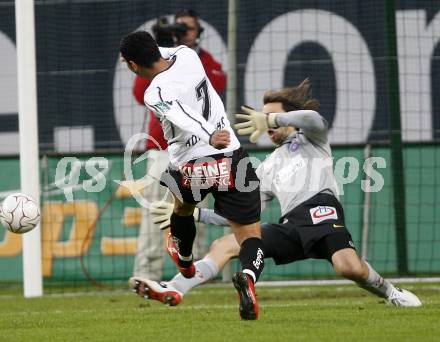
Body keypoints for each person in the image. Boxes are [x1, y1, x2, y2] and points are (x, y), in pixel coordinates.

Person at [129, 79, 422, 309]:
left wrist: (271, 120)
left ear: (288, 119)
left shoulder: (311, 139)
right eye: (262, 117)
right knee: (227, 244)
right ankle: (174, 288)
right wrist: (195, 214)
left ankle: (391, 292)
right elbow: (239, 215)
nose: (264, 123)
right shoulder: (265, 167)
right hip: (290, 225)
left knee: (348, 267)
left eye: (271, 118)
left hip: (321, 212)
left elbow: (314, 119)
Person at [120, 31, 265, 320]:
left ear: (134, 66)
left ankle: (185, 262)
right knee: (250, 237)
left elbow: (181, 114)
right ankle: (247, 277)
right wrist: (214, 134)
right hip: (231, 157)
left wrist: (209, 135)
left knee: (182, 208)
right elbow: (160, 53)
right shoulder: (188, 54)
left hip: (191, 163)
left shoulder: (154, 92)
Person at [131, 10, 226, 282]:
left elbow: (218, 83)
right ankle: (145, 275)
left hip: (198, 149)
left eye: (189, 28)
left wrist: (181, 48)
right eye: (179, 28)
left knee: (194, 212)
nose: (183, 32)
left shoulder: (199, 59)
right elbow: (139, 95)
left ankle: (193, 276)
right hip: (162, 148)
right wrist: (158, 49)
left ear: (199, 33)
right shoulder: (159, 62)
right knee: (154, 213)